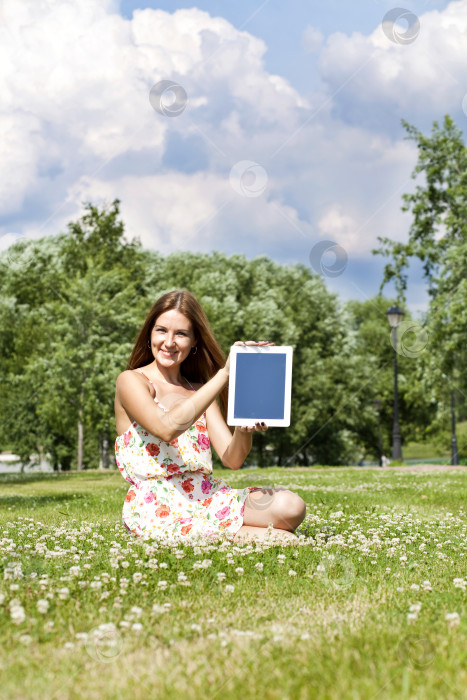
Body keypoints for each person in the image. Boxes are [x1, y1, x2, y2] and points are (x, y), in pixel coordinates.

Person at [114, 289, 306, 545]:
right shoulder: (132, 381)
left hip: (206, 495)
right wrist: (224, 374)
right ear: (149, 333)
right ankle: (239, 534)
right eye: (161, 330)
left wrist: (243, 429)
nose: (169, 342)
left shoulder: (199, 392)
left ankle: (229, 529)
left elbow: (233, 458)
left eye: (180, 333)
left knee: (291, 506)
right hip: (157, 504)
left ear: (194, 341)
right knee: (284, 539)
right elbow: (166, 428)